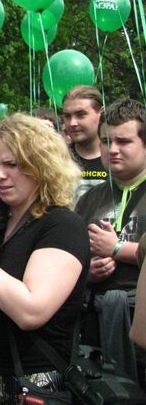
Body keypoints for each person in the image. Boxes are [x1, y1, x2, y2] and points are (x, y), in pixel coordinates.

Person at [0, 113, 88, 404]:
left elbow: (31, 312)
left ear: (42, 167)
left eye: (12, 165)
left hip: (36, 385)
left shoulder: (62, 225)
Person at [77, 98, 146, 381]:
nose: (112, 149)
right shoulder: (89, 198)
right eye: (106, 140)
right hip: (96, 324)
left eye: (124, 141)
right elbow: (70, 256)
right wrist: (86, 272)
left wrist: (116, 248)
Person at [62, 85, 107, 199]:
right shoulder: (57, 159)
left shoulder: (116, 158)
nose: (72, 123)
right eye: (67, 116)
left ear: (100, 114)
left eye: (80, 115)